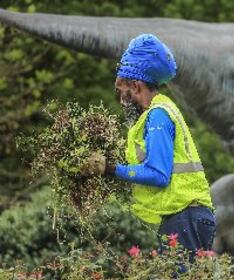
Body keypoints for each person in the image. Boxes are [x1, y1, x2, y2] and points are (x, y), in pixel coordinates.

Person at [81, 33, 215, 259]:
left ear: (136, 85)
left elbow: (158, 174)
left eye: (121, 88)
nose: (120, 96)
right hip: (182, 215)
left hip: (186, 216)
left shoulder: (158, 117)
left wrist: (110, 169)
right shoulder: (154, 115)